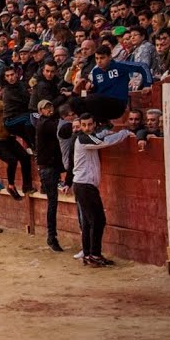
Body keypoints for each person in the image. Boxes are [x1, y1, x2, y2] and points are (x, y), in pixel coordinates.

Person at [72, 113, 133, 267]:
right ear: (80, 125)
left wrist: (106, 129)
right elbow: (103, 141)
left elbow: (99, 135)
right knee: (98, 221)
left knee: (88, 222)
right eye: (83, 125)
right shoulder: (83, 138)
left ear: (94, 124)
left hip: (83, 185)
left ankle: (88, 254)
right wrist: (124, 133)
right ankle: (94, 254)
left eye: (89, 125)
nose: (86, 128)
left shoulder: (86, 137)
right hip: (85, 186)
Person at [33, 100, 65, 251]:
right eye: (46, 108)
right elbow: (61, 129)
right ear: (40, 111)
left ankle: (52, 236)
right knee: (53, 202)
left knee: (52, 201)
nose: (49, 110)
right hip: (48, 168)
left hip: (50, 167)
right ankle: (51, 237)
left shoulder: (45, 122)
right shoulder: (45, 123)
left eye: (51, 107)